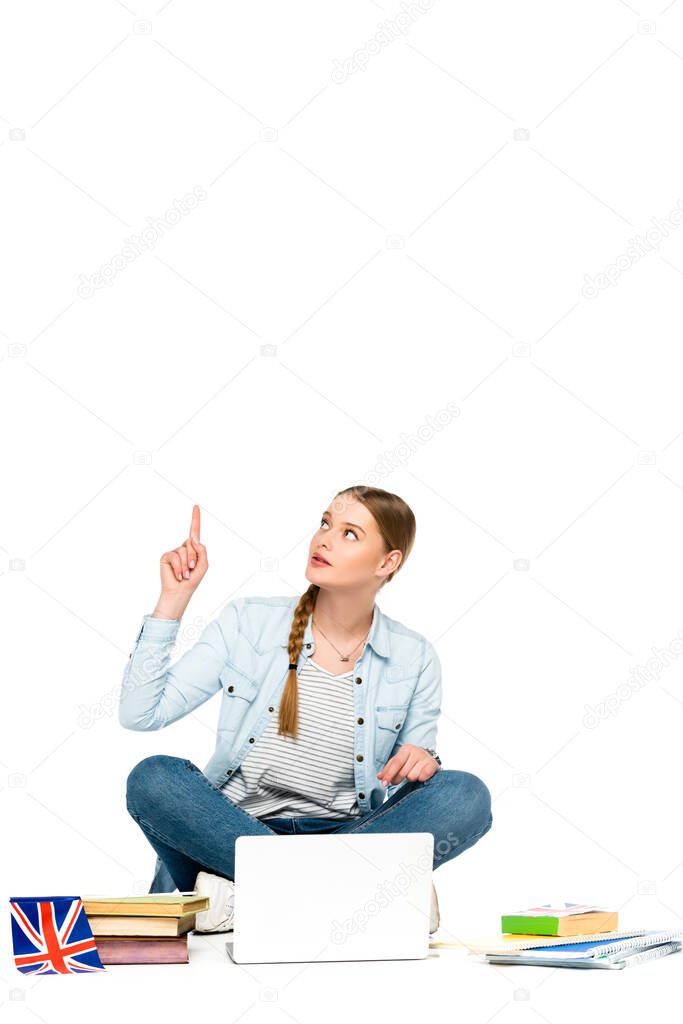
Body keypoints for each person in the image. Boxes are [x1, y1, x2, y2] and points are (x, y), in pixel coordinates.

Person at [120, 485, 493, 935]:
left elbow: (411, 778)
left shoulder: (415, 657)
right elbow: (141, 713)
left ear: (387, 562)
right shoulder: (248, 622)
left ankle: (252, 898)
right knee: (154, 777)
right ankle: (353, 898)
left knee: (465, 794)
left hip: (351, 839)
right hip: (228, 838)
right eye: (325, 524)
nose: (324, 539)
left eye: (350, 533)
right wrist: (172, 600)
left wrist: (422, 761)